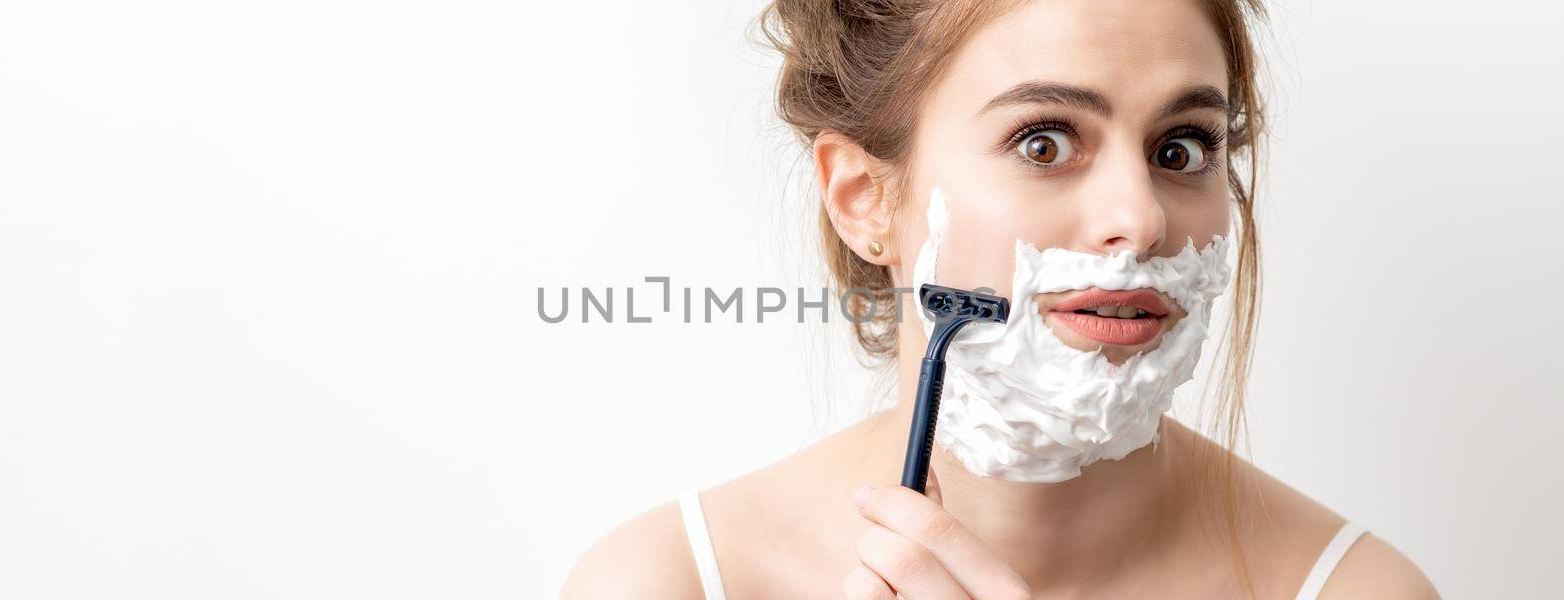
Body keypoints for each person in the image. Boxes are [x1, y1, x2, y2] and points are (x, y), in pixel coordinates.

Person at [564, 0, 1440, 597]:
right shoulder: (668, 580)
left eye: (1181, 148)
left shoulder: (1355, 589)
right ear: (865, 197)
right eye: (1045, 141)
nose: (1138, 219)